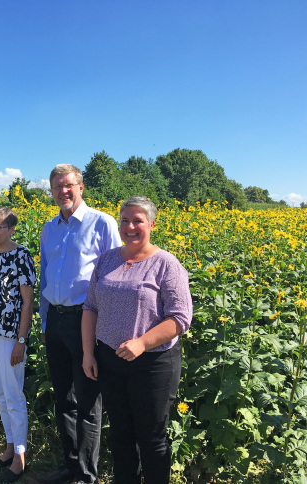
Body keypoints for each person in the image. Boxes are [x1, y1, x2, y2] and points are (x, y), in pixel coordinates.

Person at [82, 196, 192, 484]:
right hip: (110, 358)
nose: (130, 226)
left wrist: (142, 343)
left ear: (151, 224)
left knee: (152, 438)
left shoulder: (166, 264)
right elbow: (90, 307)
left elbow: (180, 318)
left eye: (138, 221)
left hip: (153, 363)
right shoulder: (107, 260)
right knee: (120, 434)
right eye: (125, 220)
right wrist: (88, 353)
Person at [38, 164, 122, 484]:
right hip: (56, 321)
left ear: (81, 187)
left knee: (88, 401)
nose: (63, 191)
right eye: (57, 187)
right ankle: (70, 465)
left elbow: (115, 278)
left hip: (87, 321)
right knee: (64, 399)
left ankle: (86, 476)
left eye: (68, 185)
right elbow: (45, 276)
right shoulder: (50, 229)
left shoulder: (102, 223)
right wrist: (45, 323)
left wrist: (108, 329)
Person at [0, 207, 36, 483]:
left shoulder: (22, 256)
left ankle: (21, 457)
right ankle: (10, 446)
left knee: (13, 395)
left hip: (11, 336)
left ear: (12, 229)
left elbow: (27, 303)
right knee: (0, 394)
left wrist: (21, 341)